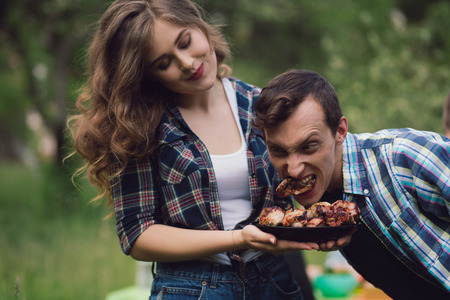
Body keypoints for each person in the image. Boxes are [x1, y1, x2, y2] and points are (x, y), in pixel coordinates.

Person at [68, 1, 329, 299]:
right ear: (148, 75)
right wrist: (236, 238)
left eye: (186, 42)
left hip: (275, 280)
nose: (188, 63)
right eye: (164, 63)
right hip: (192, 288)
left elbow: (305, 173)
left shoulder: (259, 104)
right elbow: (137, 235)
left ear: (200, 26)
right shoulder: (138, 128)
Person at [253, 69, 450, 300]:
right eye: (278, 150)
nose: (294, 169)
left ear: (340, 131)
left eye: (309, 147)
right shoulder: (319, 206)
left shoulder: (405, 156)